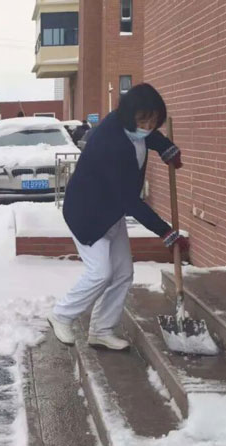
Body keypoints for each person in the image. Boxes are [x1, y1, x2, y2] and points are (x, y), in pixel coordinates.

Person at [48, 83, 189, 351]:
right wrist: (165, 232)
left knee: (123, 273)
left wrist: (166, 148)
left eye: (153, 121)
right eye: (143, 121)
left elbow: (147, 136)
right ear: (128, 116)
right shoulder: (109, 143)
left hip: (111, 211)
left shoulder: (132, 127)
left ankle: (101, 330)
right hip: (88, 214)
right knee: (100, 273)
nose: (148, 126)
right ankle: (61, 315)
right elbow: (129, 200)